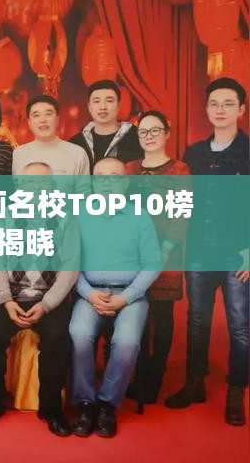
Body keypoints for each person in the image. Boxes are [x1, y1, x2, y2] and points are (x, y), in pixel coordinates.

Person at [0, 162, 80, 437]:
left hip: (49, 298)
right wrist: (6, 301)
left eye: (42, 182)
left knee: (57, 340)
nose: (35, 188)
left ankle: (51, 409)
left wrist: (46, 305)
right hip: (13, 296)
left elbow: (70, 268)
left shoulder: (66, 218)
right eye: (29, 182)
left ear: (52, 186)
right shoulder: (7, 216)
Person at [165, 77, 249, 426]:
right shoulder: (194, 153)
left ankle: (236, 391)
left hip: (238, 254)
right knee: (197, 320)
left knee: (240, 325)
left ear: (241, 110)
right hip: (199, 249)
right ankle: (194, 382)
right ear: (206, 109)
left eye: (228, 103)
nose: (220, 110)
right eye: (214, 103)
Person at [70, 157, 161, 438]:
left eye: (115, 176)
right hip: (90, 292)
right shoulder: (79, 215)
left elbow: (153, 264)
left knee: (128, 342)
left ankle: (108, 404)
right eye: (101, 177)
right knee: (79, 334)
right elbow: (69, 263)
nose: (107, 183)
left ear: (125, 182)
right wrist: (88, 293)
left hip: (129, 295)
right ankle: (85, 403)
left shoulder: (140, 216)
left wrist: (127, 297)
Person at [125, 110, 191, 404]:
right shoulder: (129, 169)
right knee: (137, 314)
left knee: (162, 316)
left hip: (167, 254)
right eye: (143, 132)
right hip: (133, 256)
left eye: (155, 130)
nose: (149, 136)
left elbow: (181, 215)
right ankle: (139, 374)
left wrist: (162, 251)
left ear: (167, 133)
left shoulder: (180, 170)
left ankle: (155, 378)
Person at [12, 95, 90, 194]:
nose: (43, 120)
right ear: (29, 123)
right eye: (36, 115)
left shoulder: (77, 153)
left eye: (48, 114)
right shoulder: (19, 154)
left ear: (57, 119)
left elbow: (84, 196)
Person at [70, 79, 142, 173]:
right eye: (97, 101)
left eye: (109, 101)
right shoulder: (76, 144)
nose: (103, 107)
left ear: (119, 106)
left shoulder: (137, 138)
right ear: (89, 107)